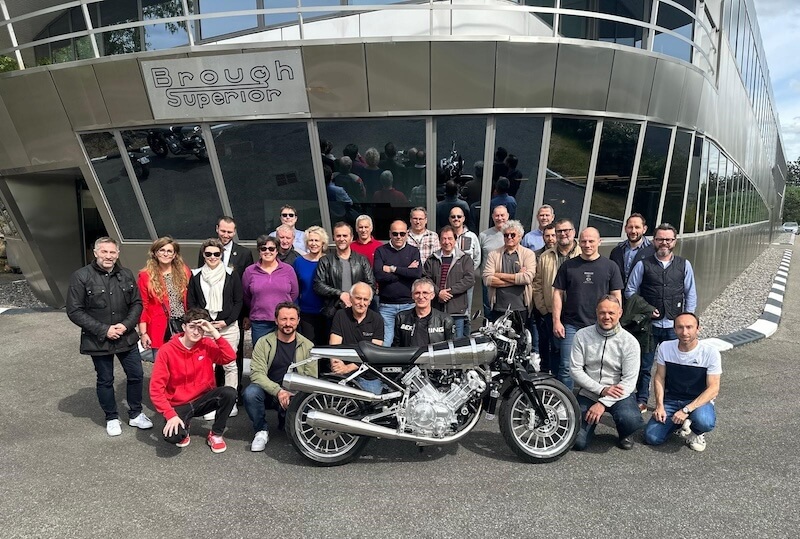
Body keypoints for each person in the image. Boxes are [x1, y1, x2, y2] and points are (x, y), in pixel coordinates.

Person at [66, 236, 152, 437]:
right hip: (99, 339)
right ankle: (112, 417)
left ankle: (136, 413)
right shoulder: (81, 276)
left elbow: (137, 303)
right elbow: (74, 311)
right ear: (95, 253)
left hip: (126, 336)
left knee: (136, 375)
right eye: (104, 251)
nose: (108, 256)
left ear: (117, 254)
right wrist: (104, 329)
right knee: (105, 379)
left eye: (112, 252)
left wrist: (125, 325)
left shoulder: (126, 274)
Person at [625, 223, 697, 412]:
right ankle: (641, 399)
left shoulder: (684, 264)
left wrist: (687, 321)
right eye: (660, 239)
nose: (664, 243)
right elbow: (630, 291)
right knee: (645, 365)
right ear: (654, 241)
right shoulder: (643, 264)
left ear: (674, 241)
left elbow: (691, 294)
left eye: (668, 239)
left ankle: (671, 400)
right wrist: (646, 308)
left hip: (675, 326)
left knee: (676, 365)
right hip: (649, 326)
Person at [149, 308, 237, 453]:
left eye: (200, 328)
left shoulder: (207, 344)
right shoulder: (166, 350)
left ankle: (215, 434)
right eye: (192, 327)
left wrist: (214, 332)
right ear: (183, 327)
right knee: (173, 437)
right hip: (179, 403)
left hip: (203, 399)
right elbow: (155, 389)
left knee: (229, 393)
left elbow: (229, 357)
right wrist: (170, 415)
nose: (196, 332)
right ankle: (185, 423)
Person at [552, 227, 623, 390]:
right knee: (566, 367)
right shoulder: (568, 266)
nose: (587, 244)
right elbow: (557, 293)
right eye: (583, 241)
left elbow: (616, 295)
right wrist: (557, 321)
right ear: (579, 242)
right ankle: (565, 404)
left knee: (600, 368)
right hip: (572, 325)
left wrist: (616, 319)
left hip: (600, 325)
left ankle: (594, 401)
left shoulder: (610, 267)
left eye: (591, 241)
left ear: (599, 242)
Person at [570, 296, 644, 451]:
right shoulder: (582, 335)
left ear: (620, 313)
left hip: (619, 393)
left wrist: (603, 403)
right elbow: (575, 370)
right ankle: (588, 427)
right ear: (596, 312)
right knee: (577, 442)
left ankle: (624, 433)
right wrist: (601, 390)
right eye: (602, 312)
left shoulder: (630, 342)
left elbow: (629, 381)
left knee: (631, 420)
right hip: (590, 392)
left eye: (611, 312)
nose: (607, 317)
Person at [243, 302, 317, 452]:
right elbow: (257, 374)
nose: (288, 323)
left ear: (298, 320)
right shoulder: (264, 343)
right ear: (276, 320)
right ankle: (261, 430)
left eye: (292, 319)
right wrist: (278, 391)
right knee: (250, 393)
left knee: (288, 429)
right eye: (283, 319)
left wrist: (293, 394)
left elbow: (311, 379)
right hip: (269, 391)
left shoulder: (308, 346)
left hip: (293, 393)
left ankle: (286, 420)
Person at [644, 312, 721, 452]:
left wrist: (686, 410)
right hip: (672, 400)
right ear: (674, 329)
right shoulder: (665, 347)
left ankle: (697, 432)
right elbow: (659, 377)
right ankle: (679, 423)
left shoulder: (710, 353)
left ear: (698, 329)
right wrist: (659, 406)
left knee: (705, 422)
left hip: (698, 401)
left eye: (689, 327)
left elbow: (713, 388)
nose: (684, 332)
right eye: (680, 327)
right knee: (652, 438)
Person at [198, 216, 253, 403]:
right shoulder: (207, 250)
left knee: (232, 357)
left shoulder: (244, 253)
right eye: (223, 231)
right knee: (210, 359)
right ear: (217, 229)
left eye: (230, 232)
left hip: (232, 316)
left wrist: (245, 315)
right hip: (210, 318)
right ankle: (215, 394)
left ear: (235, 232)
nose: (226, 235)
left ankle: (233, 395)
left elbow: (244, 290)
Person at [187, 238, 243, 419]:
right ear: (203, 255)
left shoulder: (231, 274)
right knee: (206, 365)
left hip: (228, 326)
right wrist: (204, 323)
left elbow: (238, 301)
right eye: (208, 254)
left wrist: (226, 321)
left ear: (221, 255)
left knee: (230, 365)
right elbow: (192, 302)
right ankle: (208, 404)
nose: (212, 257)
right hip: (205, 327)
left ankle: (231, 402)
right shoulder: (195, 276)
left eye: (216, 254)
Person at [532, 219, 580, 375]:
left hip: (577, 314)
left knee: (574, 356)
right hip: (551, 312)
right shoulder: (546, 257)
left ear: (573, 232)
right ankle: (556, 389)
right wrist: (544, 309)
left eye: (567, 230)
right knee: (555, 350)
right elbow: (537, 284)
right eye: (559, 231)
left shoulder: (583, 254)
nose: (563, 234)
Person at [137, 237, 191, 359]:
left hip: (183, 324)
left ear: (174, 254)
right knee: (162, 365)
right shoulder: (145, 276)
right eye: (162, 250)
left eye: (169, 251)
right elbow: (143, 306)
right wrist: (143, 333)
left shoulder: (184, 271)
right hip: (159, 327)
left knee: (184, 365)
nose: (165, 254)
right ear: (155, 253)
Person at [242, 235, 299, 347]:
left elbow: (294, 293)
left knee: (284, 355)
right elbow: (246, 295)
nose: (267, 252)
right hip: (260, 322)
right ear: (259, 251)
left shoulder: (288, 270)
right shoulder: (249, 271)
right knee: (261, 356)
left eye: (271, 249)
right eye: (263, 249)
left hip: (284, 321)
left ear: (277, 250)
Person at [329, 282, 385, 394]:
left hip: (368, 374)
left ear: (370, 302)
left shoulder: (377, 320)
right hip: (342, 371)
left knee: (373, 406)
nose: (361, 303)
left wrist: (348, 367)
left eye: (365, 299)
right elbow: (334, 346)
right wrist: (337, 365)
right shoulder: (340, 315)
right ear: (350, 298)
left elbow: (374, 354)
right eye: (358, 298)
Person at [374, 220, 423, 346]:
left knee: (410, 341)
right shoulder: (380, 251)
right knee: (386, 342)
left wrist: (392, 269)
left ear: (407, 233)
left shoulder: (413, 251)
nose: (399, 237)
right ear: (390, 234)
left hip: (409, 305)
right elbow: (379, 275)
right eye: (395, 234)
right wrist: (405, 271)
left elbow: (416, 274)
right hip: (387, 306)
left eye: (402, 233)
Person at [314, 222, 375, 319]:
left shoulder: (362, 260)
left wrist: (356, 299)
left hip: (359, 312)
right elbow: (318, 285)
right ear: (334, 238)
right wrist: (340, 294)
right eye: (338, 236)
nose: (341, 239)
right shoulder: (325, 261)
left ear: (351, 238)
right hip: (333, 311)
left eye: (345, 236)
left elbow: (371, 285)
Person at [423, 225, 475, 337]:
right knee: (436, 343)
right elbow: (426, 279)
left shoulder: (465, 259)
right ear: (440, 240)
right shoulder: (432, 259)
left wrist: (450, 292)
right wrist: (438, 293)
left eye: (450, 238)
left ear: (455, 240)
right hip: (435, 309)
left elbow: (469, 279)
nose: (447, 242)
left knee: (456, 345)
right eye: (444, 238)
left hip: (457, 310)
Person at [483, 220, 536, 324]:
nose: (509, 238)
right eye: (506, 235)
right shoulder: (494, 254)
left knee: (520, 339)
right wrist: (517, 279)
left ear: (520, 236)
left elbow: (527, 278)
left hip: (521, 308)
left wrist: (499, 275)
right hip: (498, 307)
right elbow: (487, 279)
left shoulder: (528, 254)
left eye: (513, 235)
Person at [293, 226, 329, 346]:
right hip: (306, 312)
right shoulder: (298, 262)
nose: (313, 244)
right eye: (310, 240)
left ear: (323, 242)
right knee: (309, 347)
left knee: (326, 347)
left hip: (326, 312)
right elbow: (295, 288)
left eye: (316, 240)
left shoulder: (329, 261)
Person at [393, 278, 455, 347]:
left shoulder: (445, 320)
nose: (421, 297)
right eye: (417, 293)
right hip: (409, 357)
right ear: (412, 296)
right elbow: (396, 347)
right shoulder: (401, 318)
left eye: (425, 293)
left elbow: (452, 348)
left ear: (432, 295)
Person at [479, 205, 510, 316]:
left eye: (502, 215)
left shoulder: (512, 235)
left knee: (506, 312)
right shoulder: (483, 235)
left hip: (508, 280)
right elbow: (479, 257)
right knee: (488, 310)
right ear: (492, 217)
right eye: (497, 215)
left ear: (508, 216)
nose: (499, 218)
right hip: (489, 280)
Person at [609, 213, 654, 285]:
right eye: (630, 227)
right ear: (625, 229)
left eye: (637, 227)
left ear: (644, 229)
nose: (633, 231)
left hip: (641, 295)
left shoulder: (653, 251)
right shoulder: (617, 251)